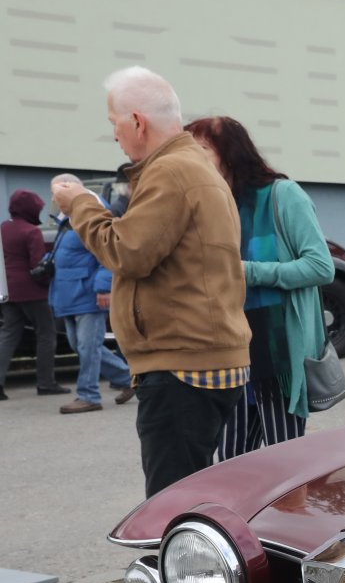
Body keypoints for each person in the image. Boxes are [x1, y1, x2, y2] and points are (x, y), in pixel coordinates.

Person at [52, 66, 252, 497]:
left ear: (138, 122)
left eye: (114, 123)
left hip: (181, 365)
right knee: (193, 495)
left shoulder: (171, 171)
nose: (115, 135)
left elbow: (126, 252)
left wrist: (80, 203)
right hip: (200, 357)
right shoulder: (194, 167)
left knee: (172, 504)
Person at [185, 116, 334, 457]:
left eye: (202, 149)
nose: (192, 158)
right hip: (227, 349)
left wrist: (247, 272)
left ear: (231, 152)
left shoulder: (283, 195)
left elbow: (320, 266)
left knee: (284, 461)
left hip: (277, 349)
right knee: (231, 462)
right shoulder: (209, 204)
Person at [46, 177, 134, 413]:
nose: (53, 198)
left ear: (69, 188)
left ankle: (89, 395)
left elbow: (107, 251)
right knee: (81, 345)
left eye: (56, 192)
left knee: (88, 347)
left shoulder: (92, 212)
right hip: (71, 293)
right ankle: (129, 378)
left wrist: (104, 287)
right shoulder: (69, 217)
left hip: (85, 293)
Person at [0, 189, 67, 398]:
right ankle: (46, 383)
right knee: (46, 334)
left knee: (8, 335)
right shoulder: (31, 231)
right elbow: (38, 265)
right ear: (30, 209)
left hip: (7, 290)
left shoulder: (3, 227)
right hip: (32, 291)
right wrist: (49, 284)